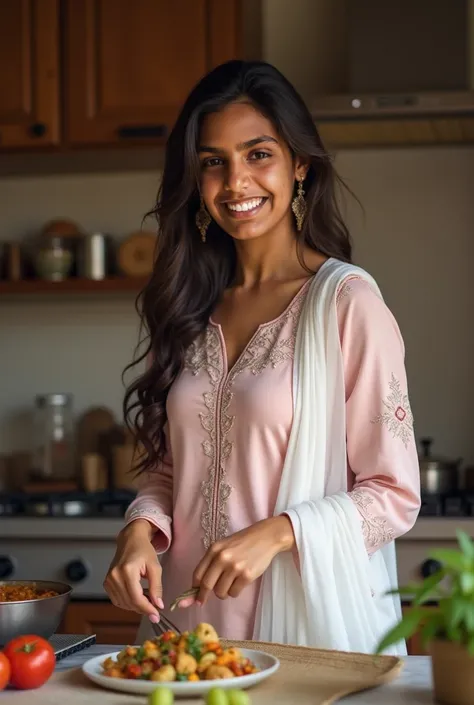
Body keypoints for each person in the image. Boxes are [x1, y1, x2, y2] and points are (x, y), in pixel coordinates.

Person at [104, 60, 420, 654]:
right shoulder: (190, 305)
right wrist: (140, 531)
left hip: (301, 633)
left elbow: (394, 495)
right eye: (213, 162)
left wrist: (277, 534)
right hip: (188, 633)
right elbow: (172, 470)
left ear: (299, 164)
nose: (236, 182)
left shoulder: (346, 304)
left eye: (258, 155)